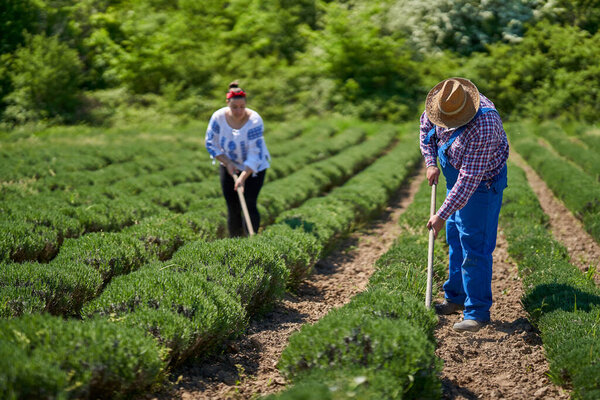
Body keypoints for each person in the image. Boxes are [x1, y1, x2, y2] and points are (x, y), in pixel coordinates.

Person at [419, 77, 509, 333]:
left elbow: (469, 180)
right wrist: (430, 163)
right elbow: (426, 131)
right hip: (453, 174)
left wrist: (441, 214)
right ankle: (456, 297)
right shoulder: (441, 104)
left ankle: (477, 312)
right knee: (455, 238)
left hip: (481, 185)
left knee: (475, 245)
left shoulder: (485, 123)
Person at [205, 81, 270, 237]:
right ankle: (235, 241)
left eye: (242, 107)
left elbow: (255, 152)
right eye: (235, 107)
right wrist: (227, 162)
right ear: (228, 104)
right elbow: (210, 143)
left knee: (248, 202)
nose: (239, 110)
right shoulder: (218, 117)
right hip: (229, 164)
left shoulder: (254, 120)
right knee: (232, 206)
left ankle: (251, 239)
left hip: (254, 169)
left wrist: (242, 177)